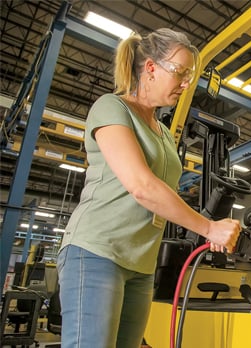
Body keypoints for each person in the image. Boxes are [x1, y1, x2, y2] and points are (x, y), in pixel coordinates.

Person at [57, 28, 241, 348]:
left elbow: (165, 193)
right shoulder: (112, 108)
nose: (186, 84)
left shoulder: (165, 133)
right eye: (180, 73)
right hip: (97, 252)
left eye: (190, 76)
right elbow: (142, 186)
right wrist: (208, 228)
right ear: (151, 68)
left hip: (141, 266)